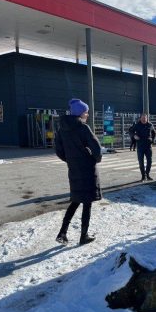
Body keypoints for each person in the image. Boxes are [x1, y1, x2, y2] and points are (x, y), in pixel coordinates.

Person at [54, 98, 102, 245]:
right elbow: (97, 148)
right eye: (86, 112)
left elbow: (59, 150)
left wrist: (70, 160)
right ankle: (84, 235)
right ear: (80, 113)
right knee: (87, 203)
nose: (87, 115)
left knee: (75, 200)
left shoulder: (62, 129)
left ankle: (62, 233)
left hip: (73, 169)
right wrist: (94, 159)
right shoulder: (83, 128)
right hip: (87, 169)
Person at [129, 113, 156, 181]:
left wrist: (153, 140)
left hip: (148, 146)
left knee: (149, 161)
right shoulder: (137, 125)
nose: (144, 119)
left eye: (145, 118)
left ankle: (147, 174)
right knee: (141, 162)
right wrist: (134, 135)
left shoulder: (150, 125)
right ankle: (143, 176)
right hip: (140, 146)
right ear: (140, 118)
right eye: (143, 118)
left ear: (147, 118)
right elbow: (130, 131)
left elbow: (154, 133)